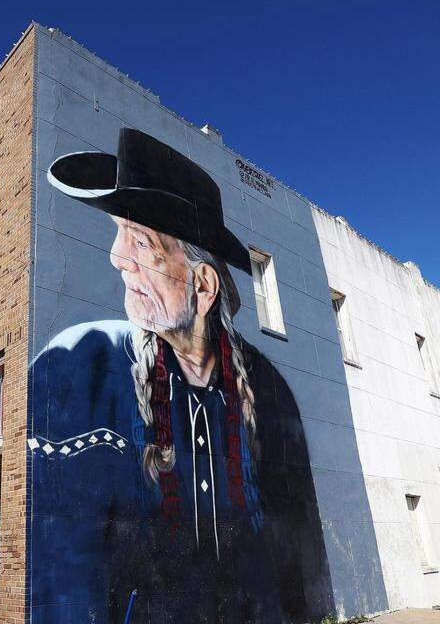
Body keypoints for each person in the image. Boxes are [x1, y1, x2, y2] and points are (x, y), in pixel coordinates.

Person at [29, 128, 333, 624]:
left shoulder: (271, 394)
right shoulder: (79, 369)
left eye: (141, 241)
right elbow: (61, 573)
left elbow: (298, 571)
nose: (117, 257)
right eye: (118, 232)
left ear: (203, 283)